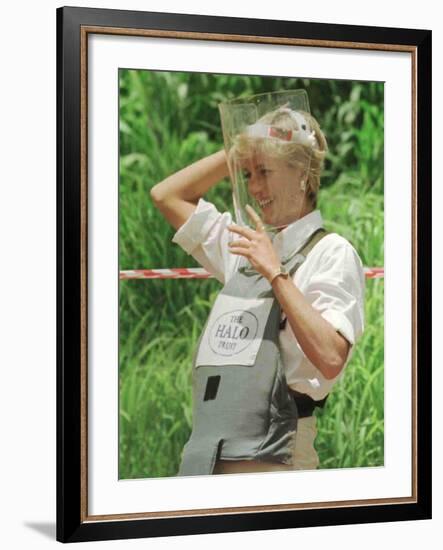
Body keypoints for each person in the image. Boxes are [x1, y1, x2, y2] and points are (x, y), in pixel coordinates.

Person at [150, 91, 365, 476]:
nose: (254, 187)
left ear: (301, 173)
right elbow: (167, 195)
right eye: (248, 175)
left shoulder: (333, 253)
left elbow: (331, 358)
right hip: (207, 457)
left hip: (277, 461)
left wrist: (276, 275)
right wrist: (240, 150)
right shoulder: (246, 246)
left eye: (264, 171)